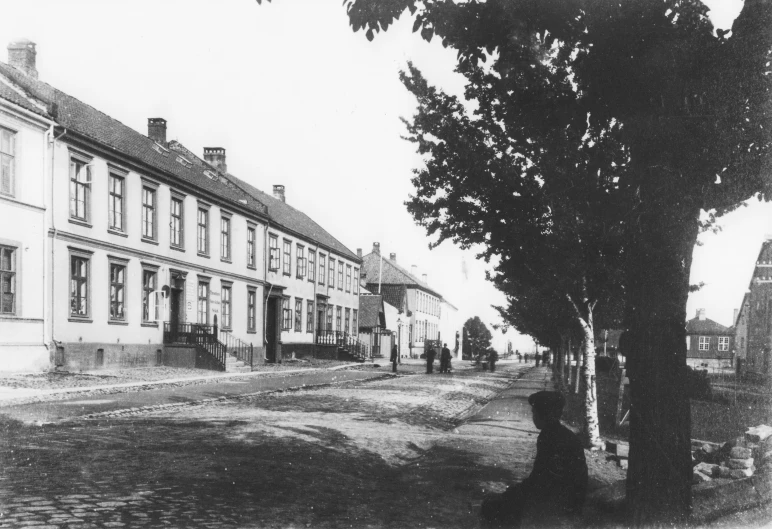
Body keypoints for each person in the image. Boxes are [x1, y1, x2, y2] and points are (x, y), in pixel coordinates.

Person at [480, 391, 588, 528]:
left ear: (545, 414)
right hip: (570, 499)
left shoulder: (550, 437)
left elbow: (542, 479)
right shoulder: (561, 434)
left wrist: (513, 493)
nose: (533, 417)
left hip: (559, 502)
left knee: (494, 508)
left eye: (535, 413)